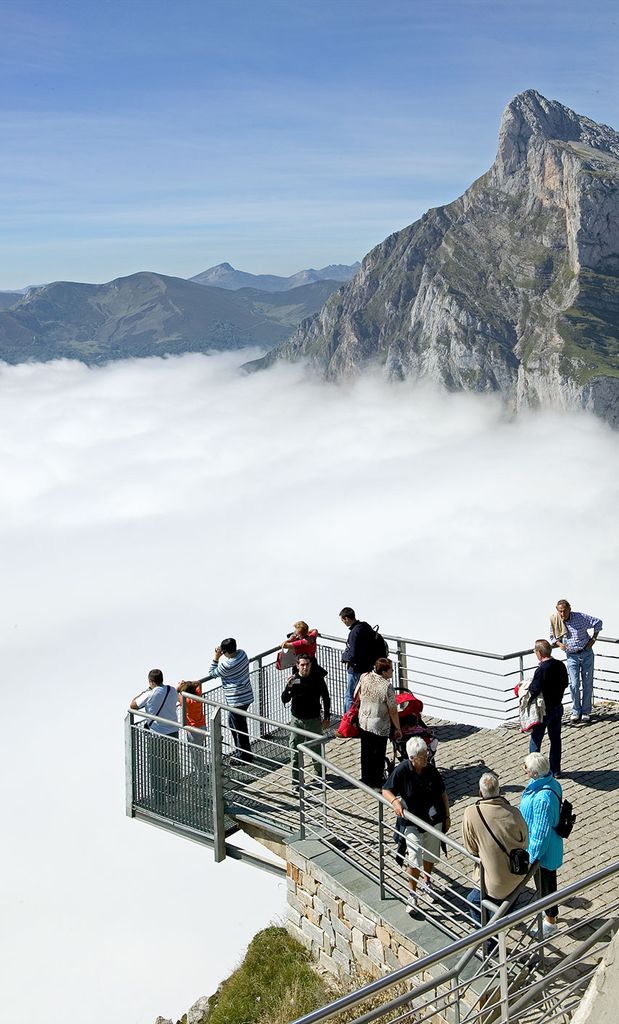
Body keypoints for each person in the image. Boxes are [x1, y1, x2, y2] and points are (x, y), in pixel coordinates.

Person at [383, 736, 451, 916]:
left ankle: (427, 882)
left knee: (430, 853)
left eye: (426, 753)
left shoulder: (431, 770)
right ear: (412, 758)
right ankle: (412, 894)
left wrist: (447, 816)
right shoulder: (402, 770)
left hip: (432, 820)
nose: (426, 757)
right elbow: (386, 789)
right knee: (413, 857)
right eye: (422, 756)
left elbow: (443, 793)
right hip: (412, 821)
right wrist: (395, 803)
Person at [463, 772, 529, 929]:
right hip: (517, 876)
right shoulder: (515, 813)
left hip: (492, 884)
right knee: (502, 906)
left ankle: (489, 943)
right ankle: (503, 918)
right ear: (499, 791)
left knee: (473, 901)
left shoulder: (471, 813)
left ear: (480, 793)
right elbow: (525, 843)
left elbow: (471, 849)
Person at [520, 752, 564, 938]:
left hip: (543, 854)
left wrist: (532, 858)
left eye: (526, 768)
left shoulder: (542, 799)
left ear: (535, 773)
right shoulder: (549, 783)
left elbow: (540, 833)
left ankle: (550, 921)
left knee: (546, 887)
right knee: (545, 885)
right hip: (547, 847)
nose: (524, 770)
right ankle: (550, 915)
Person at [130, 669, 179, 807]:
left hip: (157, 736)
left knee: (157, 768)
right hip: (174, 732)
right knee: (172, 765)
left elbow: (133, 704)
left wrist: (145, 691)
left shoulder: (149, 694)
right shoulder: (172, 690)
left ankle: (159, 799)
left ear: (151, 682)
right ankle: (173, 795)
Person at [550, 599, 602, 724]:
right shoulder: (555, 620)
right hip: (571, 656)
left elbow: (598, 623)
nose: (562, 614)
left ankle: (586, 712)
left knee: (587, 683)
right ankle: (576, 711)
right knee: (573, 684)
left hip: (586, 653)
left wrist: (593, 640)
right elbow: (552, 637)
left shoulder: (579, 617)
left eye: (564, 611)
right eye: (560, 611)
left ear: (569, 609)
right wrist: (559, 643)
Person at [281, 655, 331, 785]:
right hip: (297, 720)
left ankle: (320, 775)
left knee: (316, 749)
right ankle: (296, 782)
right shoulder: (294, 680)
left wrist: (326, 717)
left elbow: (326, 697)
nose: (305, 667)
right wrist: (289, 686)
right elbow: (284, 699)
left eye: (307, 664)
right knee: (295, 751)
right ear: (297, 665)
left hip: (313, 720)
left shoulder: (317, 679)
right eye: (302, 665)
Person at [356, 657, 402, 790]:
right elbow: (393, 710)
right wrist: (398, 728)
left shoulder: (365, 676)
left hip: (364, 720)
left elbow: (358, 693)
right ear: (384, 672)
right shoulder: (387, 687)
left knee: (366, 752)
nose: (392, 671)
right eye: (390, 670)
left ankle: (366, 779)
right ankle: (376, 783)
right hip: (378, 724)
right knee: (378, 754)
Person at [207, 638, 254, 762]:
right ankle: (242, 753)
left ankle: (244, 756)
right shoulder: (243, 654)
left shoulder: (227, 665)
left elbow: (212, 673)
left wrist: (216, 657)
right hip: (246, 696)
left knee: (239, 728)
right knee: (234, 724)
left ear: (225, 651)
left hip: (236, 700)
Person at [527, 640, 568, 777]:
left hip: (544, 711)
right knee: (555, 740)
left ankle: (535, 771)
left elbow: (534, 689)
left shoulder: (542, 669)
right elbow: (565, 683)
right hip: (557, 707)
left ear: (539, 653)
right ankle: (555, 770)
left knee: (535, 741)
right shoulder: (560, 665)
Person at [340, 607, 378, 712]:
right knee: (364, 694)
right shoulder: (365, 626)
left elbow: (352, 654)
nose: (343, 622)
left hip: (356, 668)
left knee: (349, 695)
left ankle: (348, 719)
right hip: (368, 667)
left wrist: (344, 657)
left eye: (342, 620)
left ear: (346, 618)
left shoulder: (354, 633)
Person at [177, 679, 207, 782]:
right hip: (203, 727)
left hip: (193, 731)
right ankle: (204, 775)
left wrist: (180, 686)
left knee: (196, 757)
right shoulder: (198, 695)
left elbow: (178, 693)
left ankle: (201, 780)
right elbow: (199, 682)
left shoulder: (186, 701)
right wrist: (189, 683)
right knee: (201, 753)